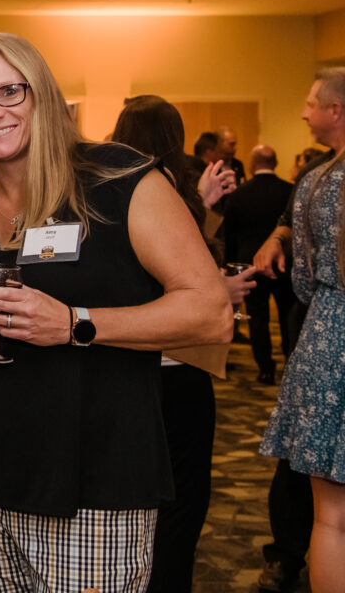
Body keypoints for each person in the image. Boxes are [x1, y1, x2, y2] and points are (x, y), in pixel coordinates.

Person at [0, 34, 231, 593]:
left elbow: (210, 313)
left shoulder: (117, 181)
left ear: (44, 94)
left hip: (93, 486)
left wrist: (76, 322)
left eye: (9, 91)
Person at [111, 94, 250, 593]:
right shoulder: (160, 188)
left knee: (138, 500)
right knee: (179, 505)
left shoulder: (110, 188)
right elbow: (173, 279)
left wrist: (206, 207)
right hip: (173, 365)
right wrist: (219, 291)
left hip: (127, 368)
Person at [260, 68, 345, 593]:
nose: (303, 110)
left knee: (330, 517)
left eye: (311, 102)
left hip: (326, 332)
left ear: (337, 110)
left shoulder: (314, 180)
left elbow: (305, 280)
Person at [222, 145, 296, 384]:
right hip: (284, 264)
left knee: (257, 318)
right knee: (287, 317)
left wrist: (229, 266)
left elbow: (229, 235)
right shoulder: (290, 191)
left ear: (253, 165)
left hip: (250, 264)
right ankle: (290, 362)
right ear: (275, 162)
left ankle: (265, 369)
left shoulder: (239, 194)